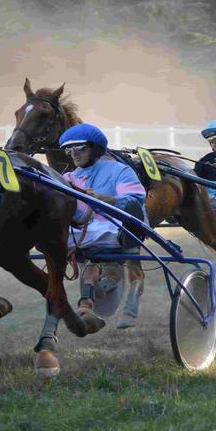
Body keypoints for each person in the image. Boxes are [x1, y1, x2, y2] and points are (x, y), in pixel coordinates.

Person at [59, 123, 148, 333]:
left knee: (89, 237)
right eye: (68, 149)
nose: (73, 153)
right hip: (84, 233)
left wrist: (104, 199)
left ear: (94, 148)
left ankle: (89, 301)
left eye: (79, 147)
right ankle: (87, 305)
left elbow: (134, 200)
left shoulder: (120, 170)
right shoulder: (69, 178)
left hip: (117, 229)